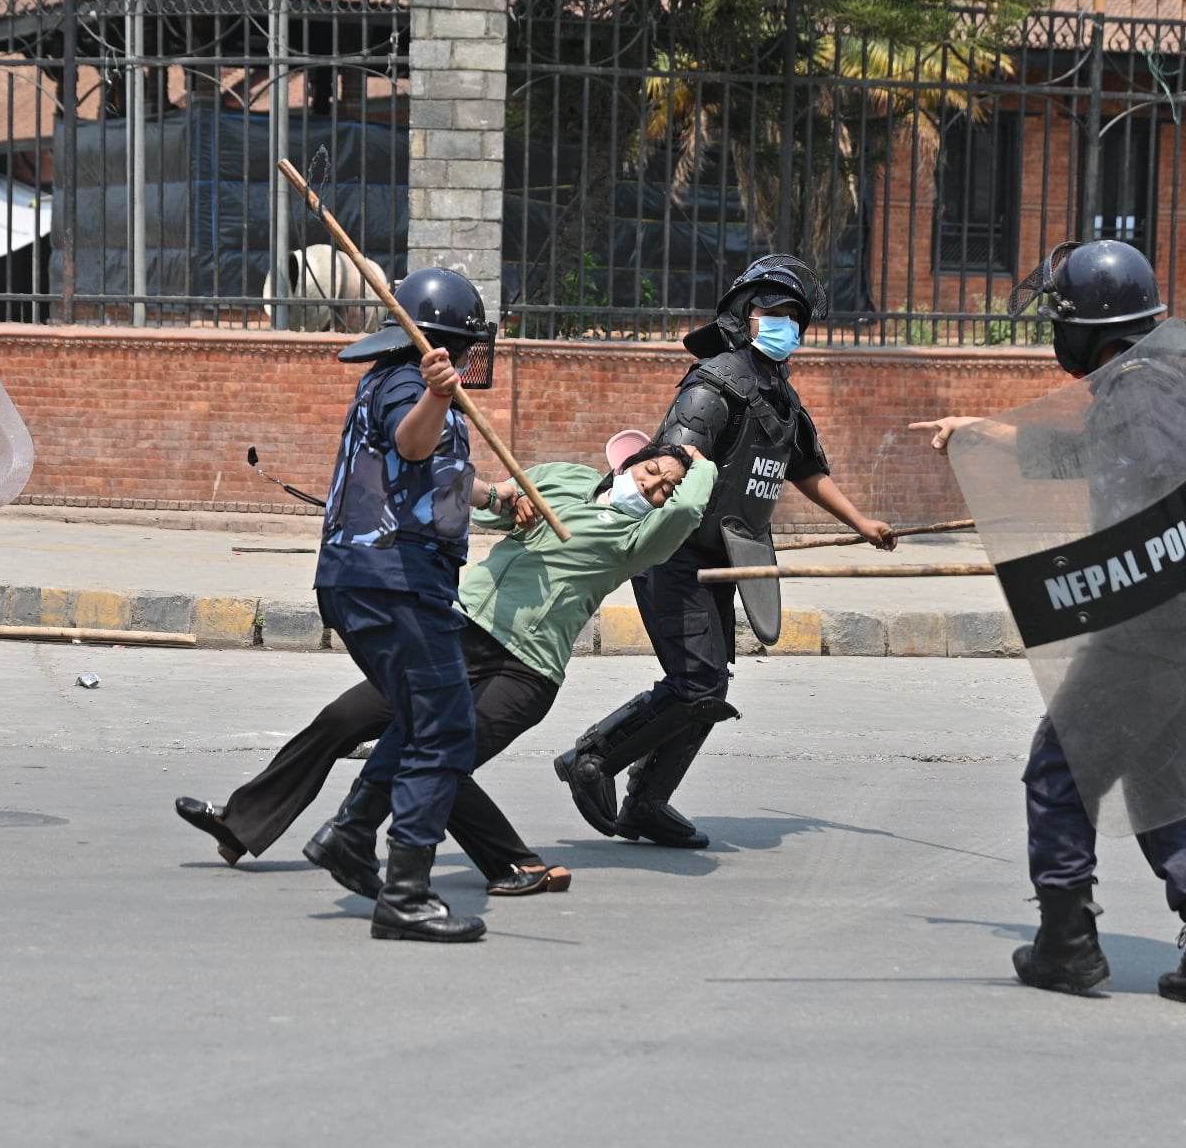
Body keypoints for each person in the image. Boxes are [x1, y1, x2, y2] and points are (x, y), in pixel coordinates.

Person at [911, 239, 1186, 1008]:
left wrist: (1085, 563)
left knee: (1057, 770)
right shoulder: (1159, 381)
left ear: (1090, 326)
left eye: (1059, 320)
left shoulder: (1139, 395)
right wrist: (987, 431)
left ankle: (1067, 943)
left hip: (1160, 628)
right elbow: (1096, 460)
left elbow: (1148, 484)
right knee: (1162, 778)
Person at [177, 431, 717, 896]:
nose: (653, 487)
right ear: (626, 462)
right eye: (650, 471)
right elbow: (481, 506)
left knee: (440, 761)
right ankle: (240, 823)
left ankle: (512, 864)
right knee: (344, 718)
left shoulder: (641, 539)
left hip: (525, 669)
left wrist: (700, 462)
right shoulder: (566, 480)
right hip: (457, 634)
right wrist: (505, 502)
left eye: (664, 487)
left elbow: (691, 509)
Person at [554, 254, 894, 850]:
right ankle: (593, 757)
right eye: (772, 312)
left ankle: (646, 804)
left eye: (795, 315)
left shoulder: (783, 400)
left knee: (707, 689)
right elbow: (674, 469)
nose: (784, 323)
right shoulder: (714, 385)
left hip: (725, 561)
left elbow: (806, 470)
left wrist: (864, 523)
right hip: (675, 555)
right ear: (743, 316)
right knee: (699, 683)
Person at [294, 266, 502, 943]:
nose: (474, 359)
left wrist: (494, 496)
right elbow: (412, 441)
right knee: (446, 729)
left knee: (419, 718)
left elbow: (431, 475)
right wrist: (437, 396)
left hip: (378, 580)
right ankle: (406, 893)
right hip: (393, 583)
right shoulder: (411, 384)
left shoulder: (404, 382)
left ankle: (352, 835)